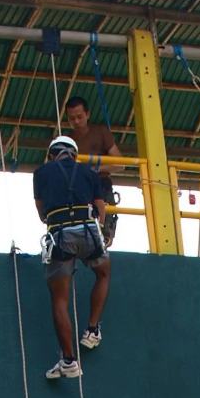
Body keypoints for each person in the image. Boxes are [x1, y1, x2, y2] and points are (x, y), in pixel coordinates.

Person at [32, 134, 110, 379]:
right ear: (74, 154)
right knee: (103, 273)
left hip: (59, 234)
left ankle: (68, 361)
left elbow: (42, 213)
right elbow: (100, 209)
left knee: (59, 299)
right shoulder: (89, 173)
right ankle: (92, 329)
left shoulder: (41, 172)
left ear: (53, 154)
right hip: (88, 229)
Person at [64, 95, 121, 246]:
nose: (76, 121)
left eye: (80, 117)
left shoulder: (101, 132)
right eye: (72, 118)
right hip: (78, 189)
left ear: (88, 114)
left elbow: (120, 163)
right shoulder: (66, 141)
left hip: (101, 184)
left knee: (104, 232)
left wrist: (97, 169)